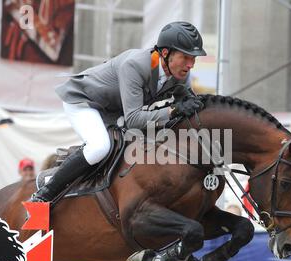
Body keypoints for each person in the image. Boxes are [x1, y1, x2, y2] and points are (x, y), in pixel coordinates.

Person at [30, 21, 206, 203]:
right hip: (84, 101)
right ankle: (45, 192)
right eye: (185, 57)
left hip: (113, 111)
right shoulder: (136, 65)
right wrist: (173, 110)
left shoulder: (180, 76)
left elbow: (189, 107)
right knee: (99, 147)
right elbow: (135, 119)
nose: (191, 64)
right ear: (165, 53)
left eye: (193, 58)